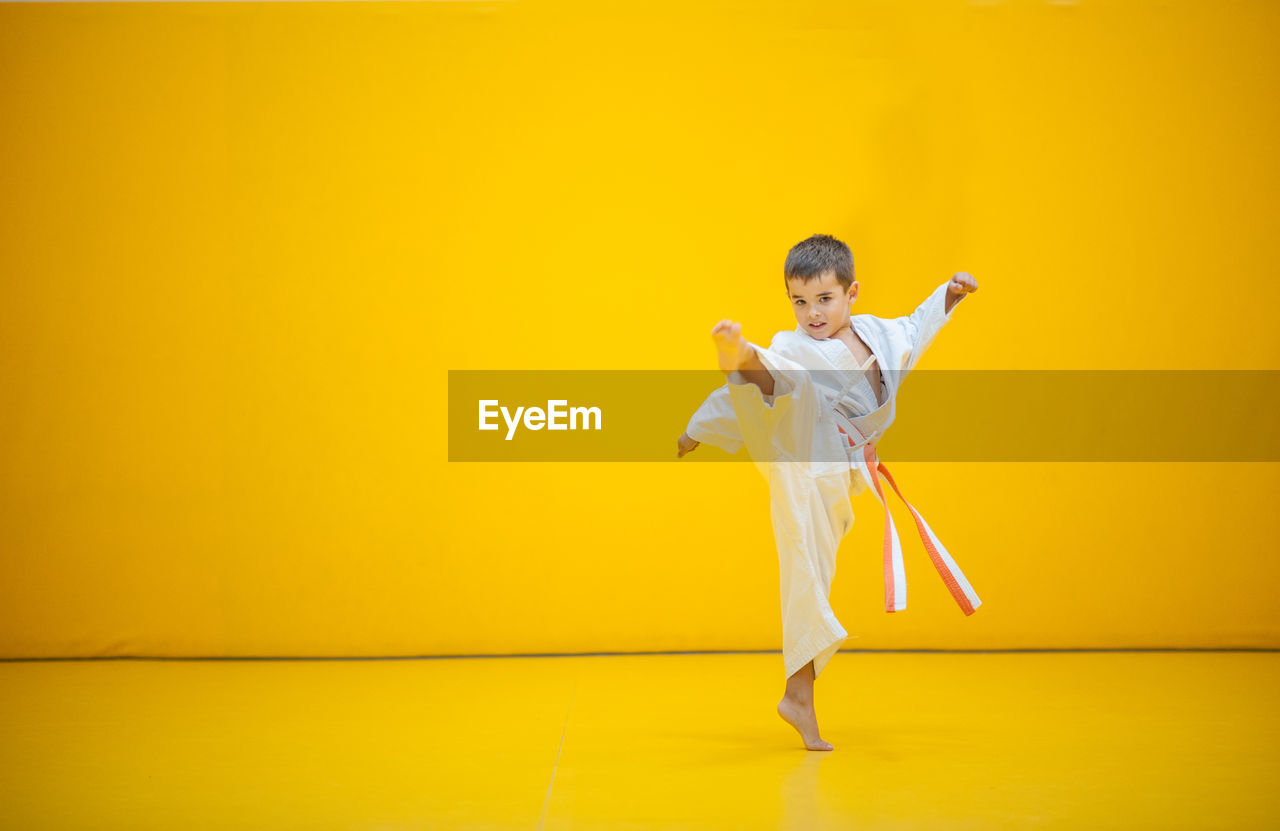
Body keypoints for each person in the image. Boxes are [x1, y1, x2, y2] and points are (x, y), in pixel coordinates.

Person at [676, 233, 982, 751]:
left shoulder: (881, 336)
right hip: (802, 449)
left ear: (851, 292)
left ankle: (798, 695)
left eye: (823, 299)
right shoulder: (796, 343)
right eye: (799, 302)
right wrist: (696, 429)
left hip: (836, 472)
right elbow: (763, 386)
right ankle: (740, 356)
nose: (812, 313)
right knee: (784, 373)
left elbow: (916, 328)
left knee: (812, 575)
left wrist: (950, 295)